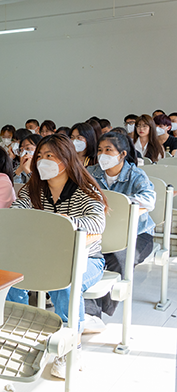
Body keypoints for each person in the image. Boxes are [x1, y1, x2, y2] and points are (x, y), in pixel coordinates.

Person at [7, 134, 106, 379]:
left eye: (49, 156)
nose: (42, 161)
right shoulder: (33, 189)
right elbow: (15, 214)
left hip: (87, 260)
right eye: (40, 156)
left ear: (66, 158)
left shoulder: (85, 190)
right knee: (10, 277)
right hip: (42, 257)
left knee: (66, 281)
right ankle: (21, 333)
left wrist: (63, 222)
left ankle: (71, 347)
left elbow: (97, 223)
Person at [83, 131, 156, 331]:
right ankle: (89, 313)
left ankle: (98, 310)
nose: (102, 154)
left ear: (122, 154)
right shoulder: (91, 172)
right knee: (88, 257)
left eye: (108, 150)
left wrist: (120, 203)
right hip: (103, 232)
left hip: (137, 233)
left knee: (119, 257)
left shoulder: (135, 174)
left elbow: (149, 200)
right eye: (100, 150)